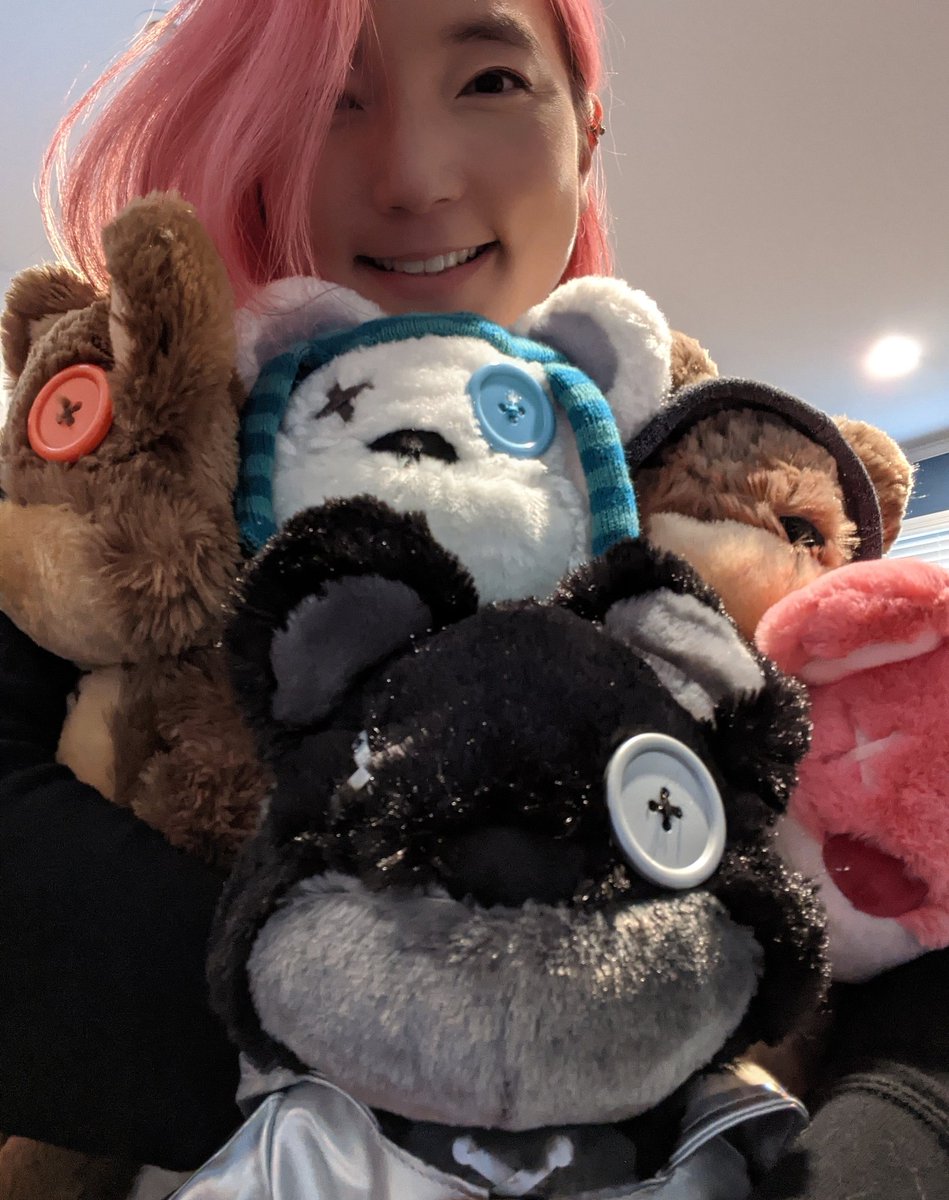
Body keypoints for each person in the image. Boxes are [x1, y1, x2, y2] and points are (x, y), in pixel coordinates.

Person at [2, 0, 613, 1169]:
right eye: (329, 99)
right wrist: (443, 1097)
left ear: (586, 128)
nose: (414, 177)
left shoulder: (701, 480)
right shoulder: (108, 484)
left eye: (489, 80)